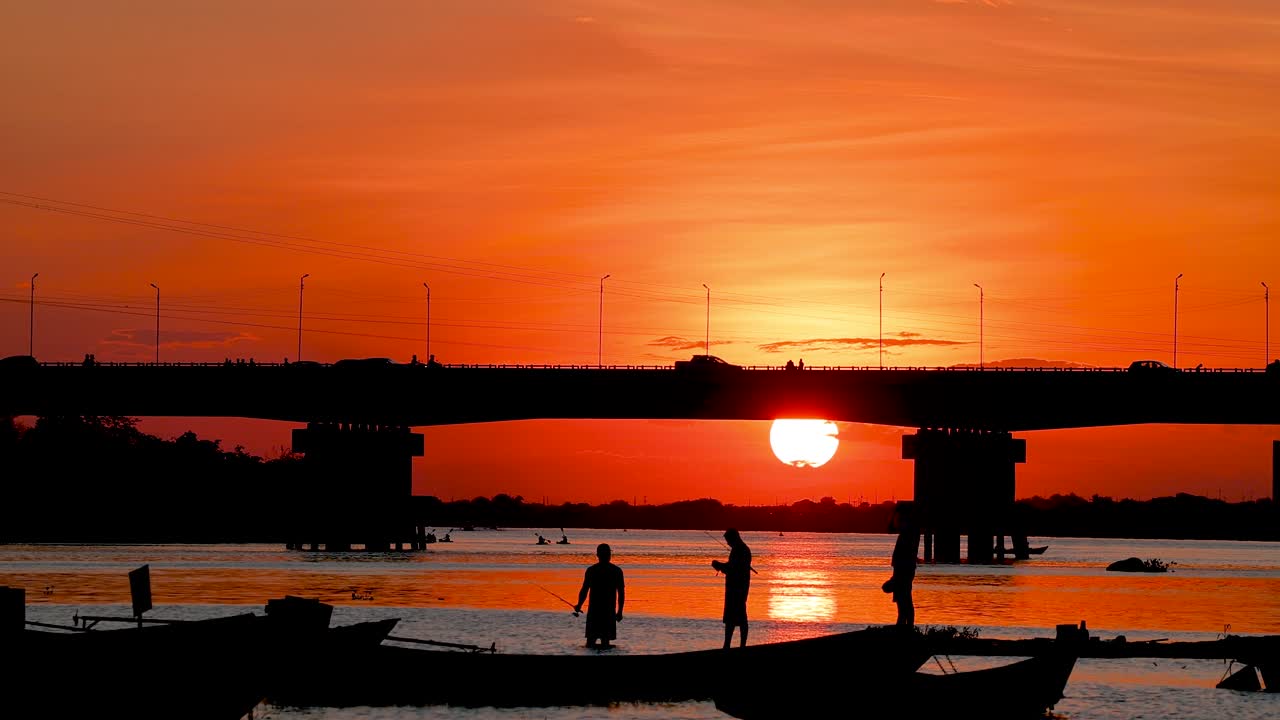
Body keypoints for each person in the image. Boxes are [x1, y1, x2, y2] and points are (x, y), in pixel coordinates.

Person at [574, 543, 625, 649]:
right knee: (605, 643)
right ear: (609, 555)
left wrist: (579, 604)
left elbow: (584, 590)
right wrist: (619, 611)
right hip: (607, 612)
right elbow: (621, 593)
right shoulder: (616, 571)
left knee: (590, 643)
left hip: (595, 612)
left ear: (598, 555)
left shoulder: (592, 570)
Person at [711, 528, 751, 648]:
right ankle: (729, 644)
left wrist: (718, 565)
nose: (727, 543)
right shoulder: (740, 549)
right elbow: (732, 567)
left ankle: (737, 645)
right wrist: (721, 566)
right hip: (736, 587)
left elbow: (733, 569)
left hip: (738, 588)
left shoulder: (740, 550)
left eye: (728, 540)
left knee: (739, 616)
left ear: (734, 538)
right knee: (732, 617)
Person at [882, 502, 920, 628]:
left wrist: (895, 513)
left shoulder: (911, 528)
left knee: (905, 598)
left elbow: (891, 528)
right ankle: (903, 625)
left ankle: (907, 626)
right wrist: (894, 513)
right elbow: (890, 528)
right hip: (901, 567)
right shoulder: (908, 529)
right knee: (901, 598)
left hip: (905, 567)